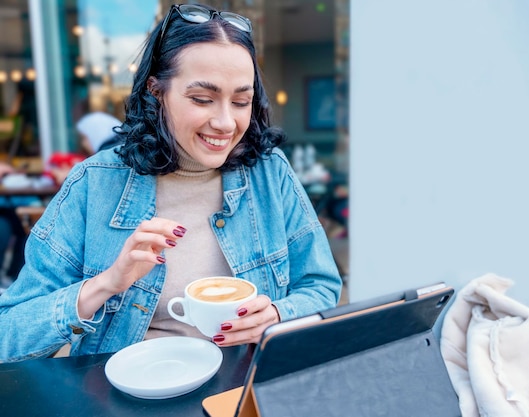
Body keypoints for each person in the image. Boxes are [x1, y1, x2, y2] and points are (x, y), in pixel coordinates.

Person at [0, 3, 342, 362]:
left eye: (241, 101)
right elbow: (9, 334)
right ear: (156, 91)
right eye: (202, 99)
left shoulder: (270, 172)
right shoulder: (95, 183)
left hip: (242, 387)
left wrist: (276, 316)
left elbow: (320, 285)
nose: (226, 123)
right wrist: (106, 283)